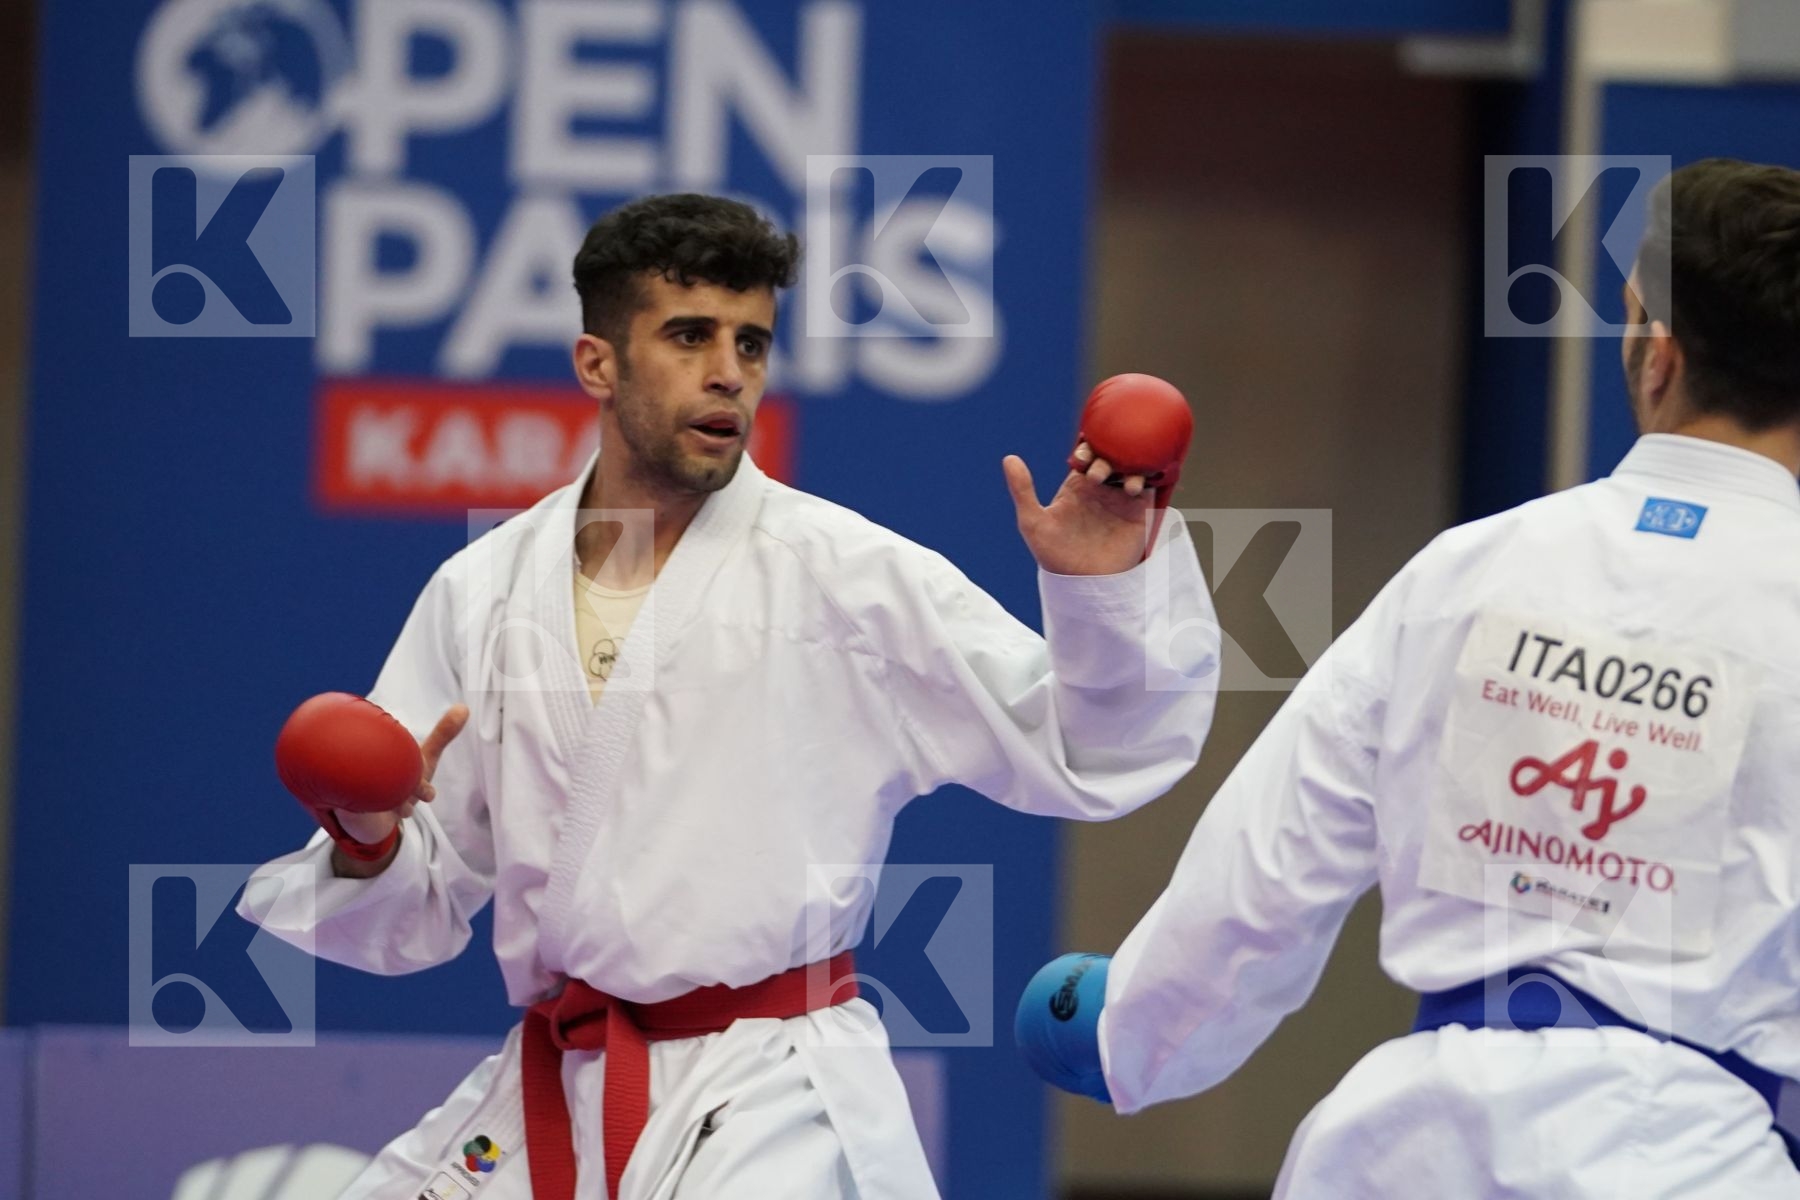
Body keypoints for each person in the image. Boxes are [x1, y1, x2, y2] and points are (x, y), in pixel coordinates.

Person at [240, 192, 1218, 1200]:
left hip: (772, 1090)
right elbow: (427, 896)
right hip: (564, 1080)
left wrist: (1103, 591)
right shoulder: (484, 588)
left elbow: (1088, 745)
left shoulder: (845, 577)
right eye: (690, 335)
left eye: (750, 344)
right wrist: (368, 837)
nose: (728, 372)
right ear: (597, 363)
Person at [1017, 157, 1800, 1197]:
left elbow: (1272, 864)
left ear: (1658, 353)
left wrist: (1133, 1031)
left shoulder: (1469, 569)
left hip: (1403, 1150)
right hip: (1695, 1160)